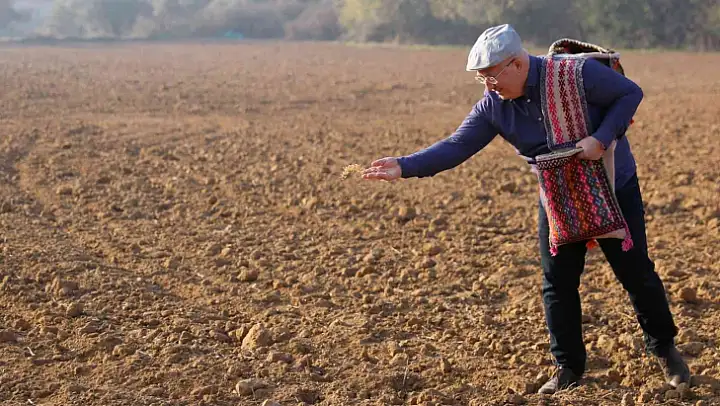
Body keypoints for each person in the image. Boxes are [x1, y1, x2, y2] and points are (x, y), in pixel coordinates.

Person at [361, 24, 690, 394]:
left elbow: (630, 93)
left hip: (613, 185)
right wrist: (404, 166)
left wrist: (600, 138)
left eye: (492, 75)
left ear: (517, 64)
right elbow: (457, 145)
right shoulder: (493, 106)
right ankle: (567, 367)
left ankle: (665, 351)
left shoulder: (576, 74)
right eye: (481, 78)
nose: (488, 85)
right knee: (558, 282)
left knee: (635, 273)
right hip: (558, 196)